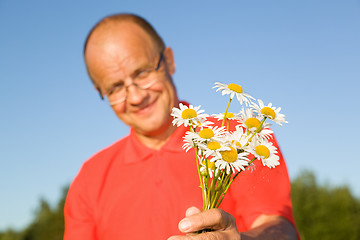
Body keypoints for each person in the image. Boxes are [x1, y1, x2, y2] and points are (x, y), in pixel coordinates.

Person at [64, 13, 298, 240]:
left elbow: (278, 227)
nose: (135, 96)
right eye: (115, 87)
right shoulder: (89, 179)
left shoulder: (241, 139)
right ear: (100, 92)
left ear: (169, 60)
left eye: (143, 73)